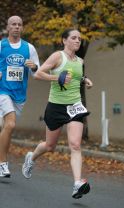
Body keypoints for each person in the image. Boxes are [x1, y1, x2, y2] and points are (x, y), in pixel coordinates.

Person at [22, 28, 93, 199]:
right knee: (49, 145)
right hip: (56, 106)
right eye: (74, 38)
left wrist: (85, 79)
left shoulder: (80, 61)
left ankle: (77, 184)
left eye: (79, 39)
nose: (78, 41)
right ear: (64, 40)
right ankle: (31, 158)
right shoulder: (57, 56)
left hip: (75, 106)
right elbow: (38, 74)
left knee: (75, 144)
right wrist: (57, 78)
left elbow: (75, 76)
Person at [0, 16, 40, 178]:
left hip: (19, 96)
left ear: (22, 28)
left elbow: (37, 73)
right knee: (10, 124)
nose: (16, 27)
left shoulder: (29, 48)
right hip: (3, 91)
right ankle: (3, 164)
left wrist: (35, 66)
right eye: (13, 24)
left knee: (5, 128)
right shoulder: (1, 46)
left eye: (19, 25)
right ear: (8, 28)